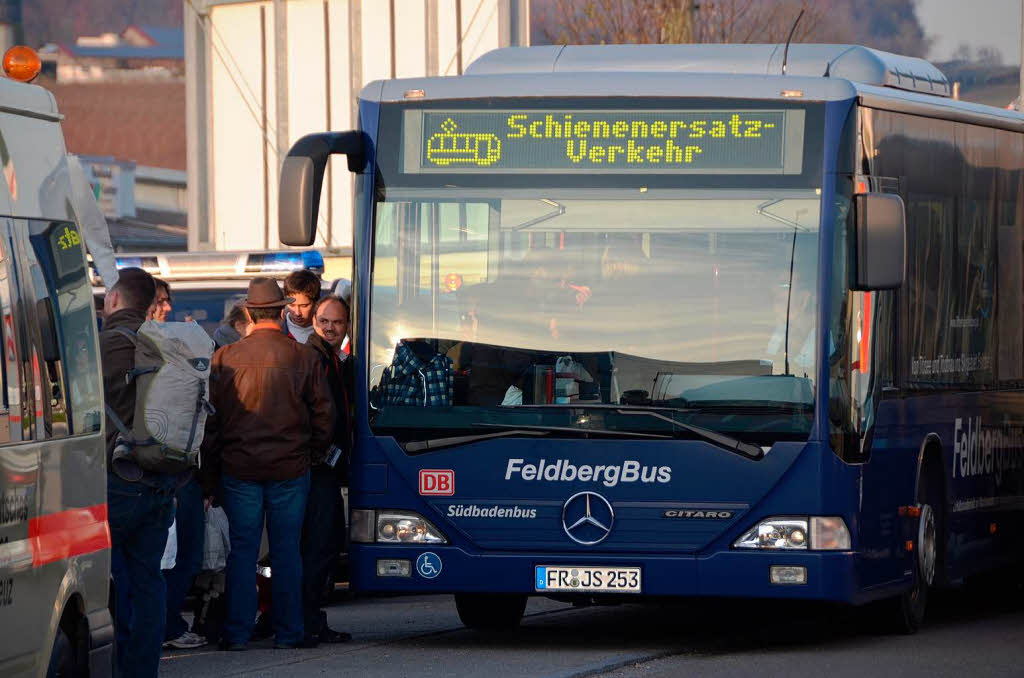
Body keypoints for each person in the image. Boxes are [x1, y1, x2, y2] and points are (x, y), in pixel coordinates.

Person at [201, 277, 334, 650]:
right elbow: (325, 415)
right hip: (291, 468)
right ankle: (289, 632)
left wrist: (209, 479)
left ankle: (238, 632)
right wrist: (312, 453)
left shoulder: (224, 358)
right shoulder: (304, 356)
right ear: (281, 311)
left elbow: (211, 424)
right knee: (287, 550)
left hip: (239, 467)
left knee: (242, 552)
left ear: (247, 311)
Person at [102, 267, 177, 678]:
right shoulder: (167, 343)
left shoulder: (103, 346)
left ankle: (114, 665)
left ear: (114, 299)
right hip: (162, 478)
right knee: (150, 579)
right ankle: (144, 669)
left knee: (110, 581)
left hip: (117, 478)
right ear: (150, 305)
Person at [301, 294, 354, 646]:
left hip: (324, 469)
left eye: (337, 322)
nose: (331, 327)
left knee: (323, 546)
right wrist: (321, 452)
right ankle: (306, 621)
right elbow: (320, 415)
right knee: (319, 546)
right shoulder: (313, 358)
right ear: (314, 322)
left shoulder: (333, 359)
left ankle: (306, 619)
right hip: (315, 468)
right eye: (325, 321)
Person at [283, 269, 321, 344]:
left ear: (316, 302)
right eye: (292, 305)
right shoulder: (278, 330)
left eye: (304, 306)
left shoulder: (326, 331)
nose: (297, 313)